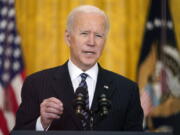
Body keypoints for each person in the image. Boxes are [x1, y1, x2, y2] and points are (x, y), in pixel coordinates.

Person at [13, 5, 143, 131]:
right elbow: (18, 133)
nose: (91, 42)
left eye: (98, 35)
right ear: (68, 38)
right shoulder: (36, 84)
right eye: (84, 33)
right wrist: (42, 123)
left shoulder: (127, 90)